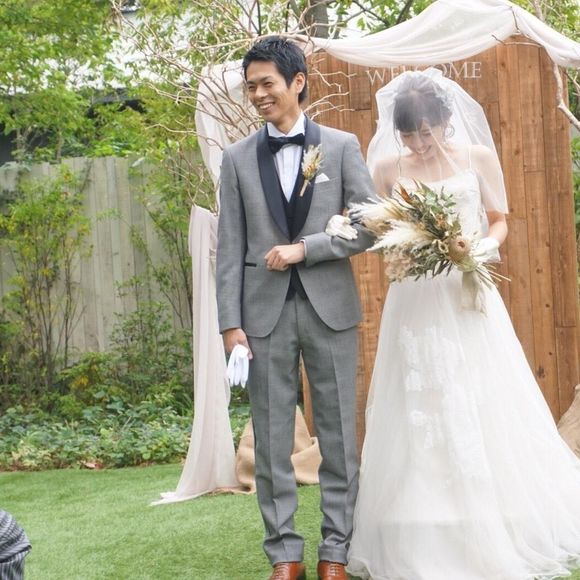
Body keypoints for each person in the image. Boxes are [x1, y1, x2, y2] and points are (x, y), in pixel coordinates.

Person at [346, 68, 580, 580]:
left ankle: (496, 508)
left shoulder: (477, 158)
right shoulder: (386, 166)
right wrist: (401, 251)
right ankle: (421, 510)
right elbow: (378, 229)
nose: (419, 143)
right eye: (409, 135)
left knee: (480, 387)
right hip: (414, 298)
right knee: (420, 395)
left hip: (467, 291)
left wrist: (481, 248)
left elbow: (499, 219)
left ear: (445, 122)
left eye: (426, 132)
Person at [216, 36, 376, 580]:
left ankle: (336, 552)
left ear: (298, 82)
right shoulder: (236, 159)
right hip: (261, 318)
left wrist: (308, 248)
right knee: (270, 439)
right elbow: (229, 248)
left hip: (331, 310)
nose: (258, 94)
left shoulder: (342, 146)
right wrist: (230, 324)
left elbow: (370, 226)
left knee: (339, 437)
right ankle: (285, 555)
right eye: (251, 87)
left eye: (267, 83)